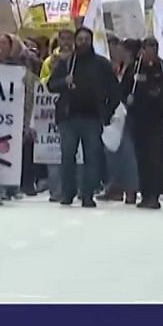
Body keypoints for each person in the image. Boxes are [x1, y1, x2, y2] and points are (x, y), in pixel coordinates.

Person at [46, 26, 119, 208]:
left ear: (91, 41)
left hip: (92, 118)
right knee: (67, 157)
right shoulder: (67, 63)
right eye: (80, 39)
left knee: (92, 158)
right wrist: (64, 82)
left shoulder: (101, 65)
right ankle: (67, 193)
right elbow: (51, 85)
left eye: (86, 39)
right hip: (69, 118)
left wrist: (107, 112)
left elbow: (115, 91)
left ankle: (87, 194)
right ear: (75, 42)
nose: (83, 42)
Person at [123, 39, 163, 209]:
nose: (151, 52)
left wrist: (161, 101)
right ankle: (144, 193)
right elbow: (123, 89)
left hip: (156, 120)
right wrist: (126, 98)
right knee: (141, 158)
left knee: (155, 158)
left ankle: (154, 194)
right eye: (148, 49)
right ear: (142, 50)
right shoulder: (134, 69)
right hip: (137, 119)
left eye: (154, 49)